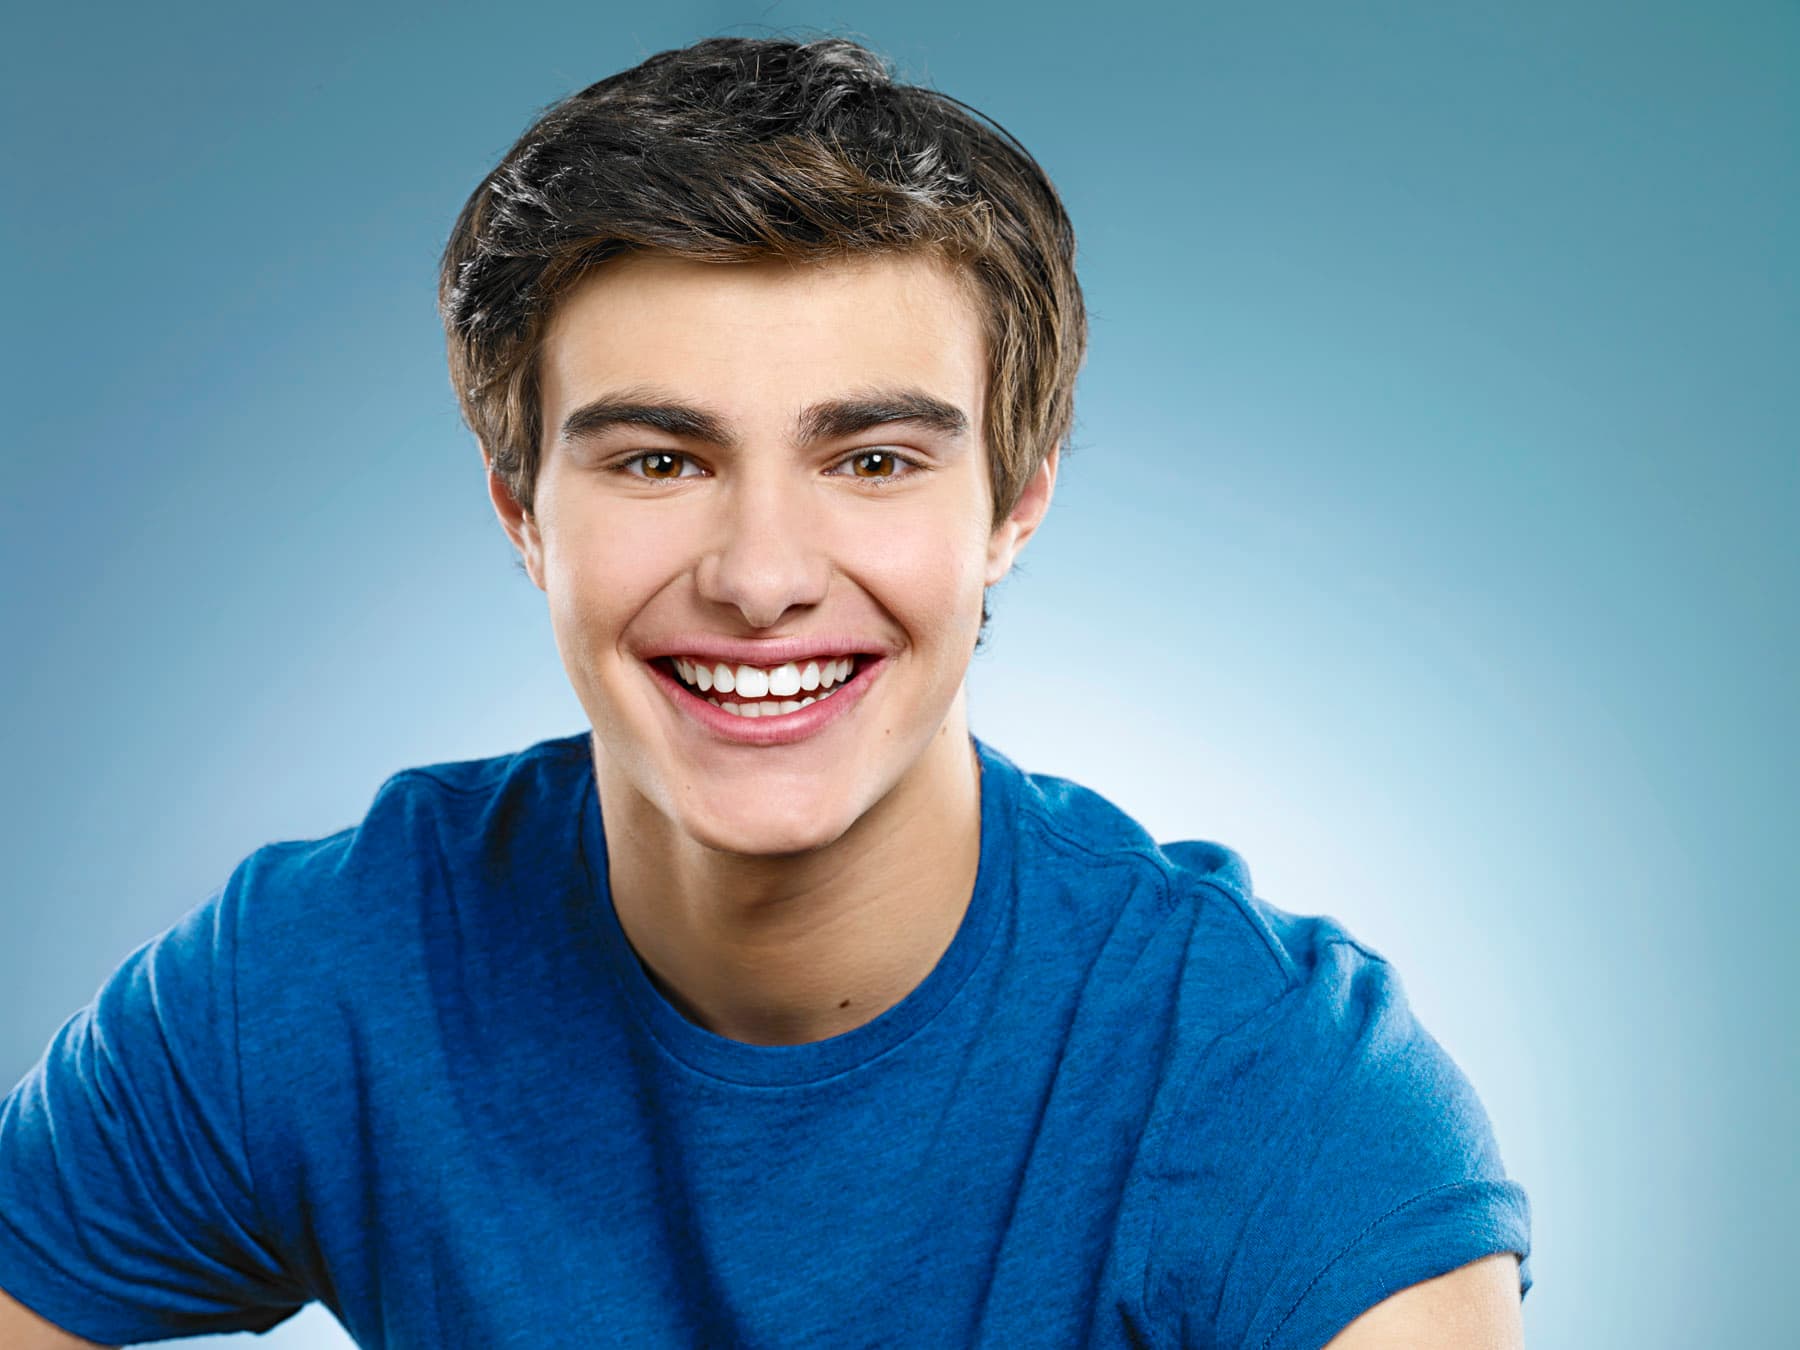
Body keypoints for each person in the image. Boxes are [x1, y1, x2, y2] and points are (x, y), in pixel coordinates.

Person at [0, 35, 1531, 1349]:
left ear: (1016, 504)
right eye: (661, 459)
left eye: (872, 461)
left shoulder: (1293, 1097)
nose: (761, 572)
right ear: (521, 507)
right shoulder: (317, 981)